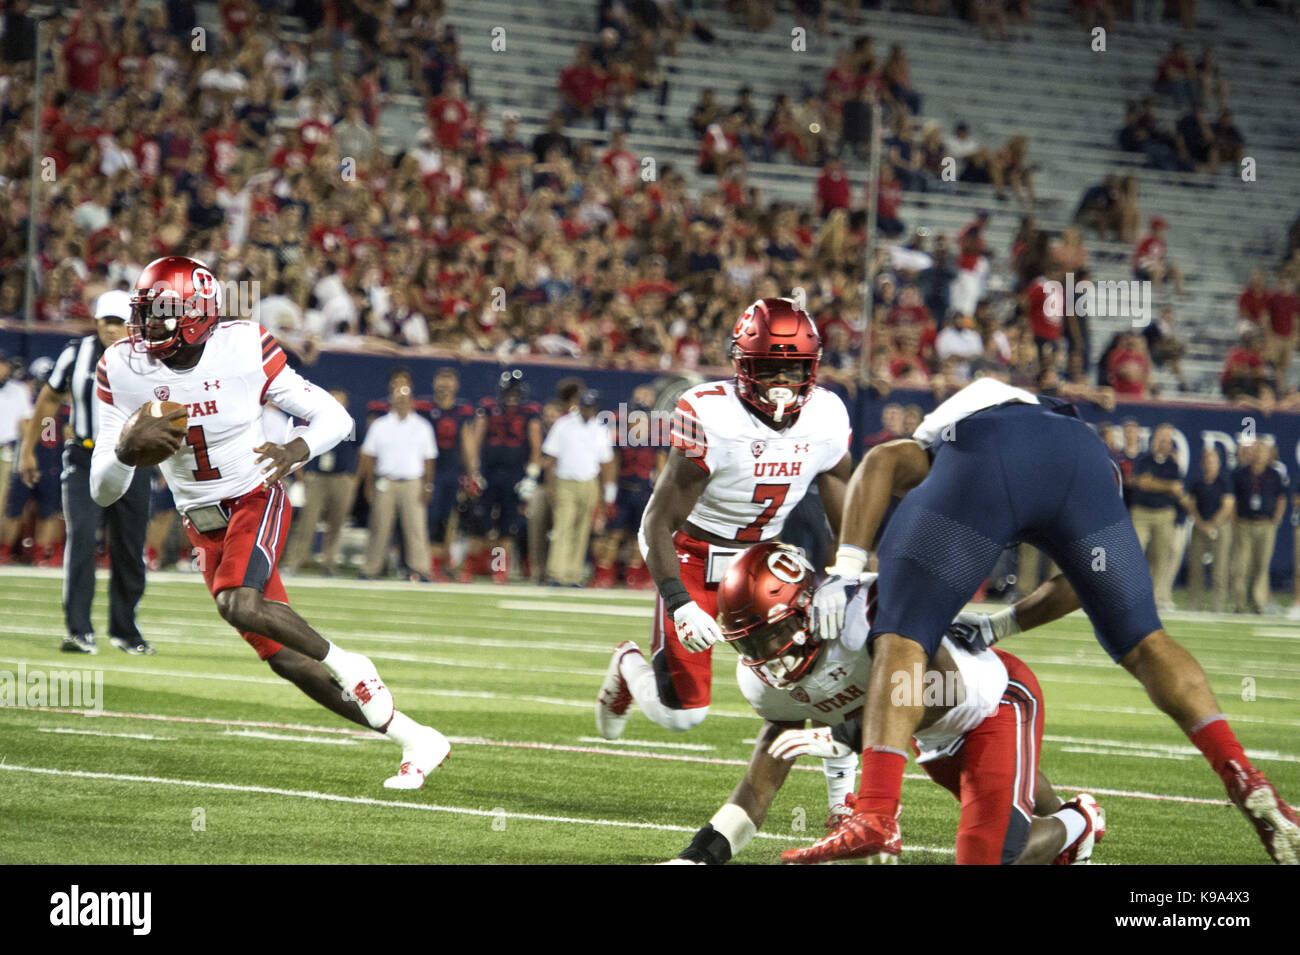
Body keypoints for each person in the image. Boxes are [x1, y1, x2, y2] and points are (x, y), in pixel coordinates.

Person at [784, 377, 1298, 865]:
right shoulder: (1072, 436)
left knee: (902, 633)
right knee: (1146, 642)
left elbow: (880, 461)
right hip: (1087, 463)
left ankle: (875, 812)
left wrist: (845, 568)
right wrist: (1000, 626)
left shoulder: (959, 428)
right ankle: (1243, 773)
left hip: (990, 456)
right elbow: (1082, 577)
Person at [90, 255, 449, 789]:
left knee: (237, 601)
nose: (146, 326)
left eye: (161, 312)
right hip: (201, 521)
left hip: (254, 495)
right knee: (283, 659)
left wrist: (296, 448)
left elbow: (337, 417)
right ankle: (415, 737)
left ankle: (352, 664)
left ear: (195, 313)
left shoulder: (242, 347)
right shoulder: (121, 366)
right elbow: (103, 489)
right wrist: (122, 451)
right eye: (144, 312)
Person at [665, 543, 1105, 866]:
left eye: (772, 635)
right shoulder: (762, 679)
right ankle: (1059, 824)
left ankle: (1079, 822)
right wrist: (698, 858)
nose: (766, 654)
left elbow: (945, 689)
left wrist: (846, 735)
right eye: (750, 643)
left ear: (805, 609)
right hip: (932, 739)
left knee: (989, 857)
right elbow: (758, 787)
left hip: (992, 702)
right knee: (1006, 813)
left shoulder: (865, 614)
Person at [594, 298, 853, 736]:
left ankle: (844, 799)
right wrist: (679, 603)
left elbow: (847, 502)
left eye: (792, 369)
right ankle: (628, 665)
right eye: (768, 368)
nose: (781, 383)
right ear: (743, 364)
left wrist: (847, 573)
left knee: (824, 678)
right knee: (682, 716)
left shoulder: (826, 414)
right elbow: (655, 522)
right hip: (695, 558)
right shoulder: (711, 414)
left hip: (767, 563)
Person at [21, 291, 153, 653]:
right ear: (97, 322)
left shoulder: (149, 357)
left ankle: (126, 631)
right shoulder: (74, 353)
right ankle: (79, 631)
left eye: (121, 322)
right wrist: (32, 448)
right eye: (108, 322)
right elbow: (49, 399)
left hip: (133, 461)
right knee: (80, 540)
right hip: (84, 457)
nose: (114, 329)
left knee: (129, 547)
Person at [463, 369, 543, 584]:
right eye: (509, 391)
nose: (512, 395)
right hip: (489, 473)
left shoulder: (530, 413)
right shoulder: (488, 408)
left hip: (514, 476)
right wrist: (474, 472)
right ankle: (472, 567)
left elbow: (536, 446)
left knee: (507, 528)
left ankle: (499, 569)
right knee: (480, 524)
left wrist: (531, 477)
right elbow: (475, 439)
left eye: (515, 391)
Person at [357, 379, 436, 581]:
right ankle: (371, 568)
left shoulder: (422, 426)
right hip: (386, 481)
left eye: (405, 399)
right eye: (398, 399)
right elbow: (369, 457)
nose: (402, 402)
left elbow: (429, 459)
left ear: (412, 401)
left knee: (416, 528)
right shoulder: (380, 425)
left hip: (412, 482)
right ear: (392, 400)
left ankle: (420, 569)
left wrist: (428, 484)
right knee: (379, 526)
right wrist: (368, 485)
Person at [541, 389, 615, 587]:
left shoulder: (600, 428)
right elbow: (551, 457)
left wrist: (605, 494)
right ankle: (557, 573)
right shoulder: (563, 424)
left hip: (588, 482)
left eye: (592, 407)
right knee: (563, 526)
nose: (588, 410)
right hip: (565, 481)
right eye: (586, 406)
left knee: (581, 530)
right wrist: (550, 486)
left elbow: (605, 463)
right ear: (580, 404)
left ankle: (573, 575)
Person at [283, 388, 357, 576]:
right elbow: (296, 448)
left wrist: (353, 478)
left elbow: (360, 452)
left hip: (341, 477)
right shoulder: (313, 422)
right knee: (308, 521)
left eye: (341, 401)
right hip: (316, 477)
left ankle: (330, 563)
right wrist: (301, 477)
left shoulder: (350, 424)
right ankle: (294, 562)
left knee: (337, 522)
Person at [4, 358, 65, 568]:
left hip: (46, 463)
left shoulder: (35, 401)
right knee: (16, 511)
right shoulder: (27, 400)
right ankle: (26, 553)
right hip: (41, 462)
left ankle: (35, 554)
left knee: (43, 512)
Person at [423, 368, 475, 581]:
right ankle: (430, 565)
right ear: (434, 382)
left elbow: (467, 442)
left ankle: (445, 566)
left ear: (456, 384)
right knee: (431, 520)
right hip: (430, 472)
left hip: (452, 472)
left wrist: (472, 474)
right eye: (441, 379)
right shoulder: (423, 408)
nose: (445, 384)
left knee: (449, 523)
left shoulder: (462, 411)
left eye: (449, 380)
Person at [1129, 423, 1184, 612]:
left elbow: (1177, 489)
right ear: (1154, 439)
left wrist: (1156, 483)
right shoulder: (1143, 459)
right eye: (1161, 438)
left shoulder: (1173, 464)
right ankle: (1130, 595)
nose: (1164, 443)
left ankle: (1155, 598)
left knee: (1160, 557)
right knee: (1135, 555)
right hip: (1142, 512)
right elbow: (1143, 483)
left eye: (1167, 440)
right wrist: (1166, 486)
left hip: (1163, 513)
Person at [1230, 439, 1287, 615]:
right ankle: (1239, 604)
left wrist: (1277, 517)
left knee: (1262, 565)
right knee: (1241, 565)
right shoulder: (1240, 473)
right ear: (1251, 452)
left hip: (1265, 524)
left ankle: (1258, 603)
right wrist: (1234, 519)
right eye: (1256, 450)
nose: (1259, 454)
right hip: (1245, 523)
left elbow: (1282, 497)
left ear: (1269, 454)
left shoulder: (1275, 475)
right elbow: (1233, 498)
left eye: (1263, 451)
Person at [1186, 447, 1234, 613]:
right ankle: (1194, 605)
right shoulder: (1197, 484)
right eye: (1207, 461)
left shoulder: (1224, 482)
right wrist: (1200, 523)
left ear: (1218, 463)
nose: (1210, 464)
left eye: (1213, 461)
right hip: (1200, 527)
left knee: (1219, 570)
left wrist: (1213, 524)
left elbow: (1227, 506)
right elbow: (1191, 505)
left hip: (1219, 528)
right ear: (1202, 463)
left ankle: (1218, 607)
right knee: (1196, 569)